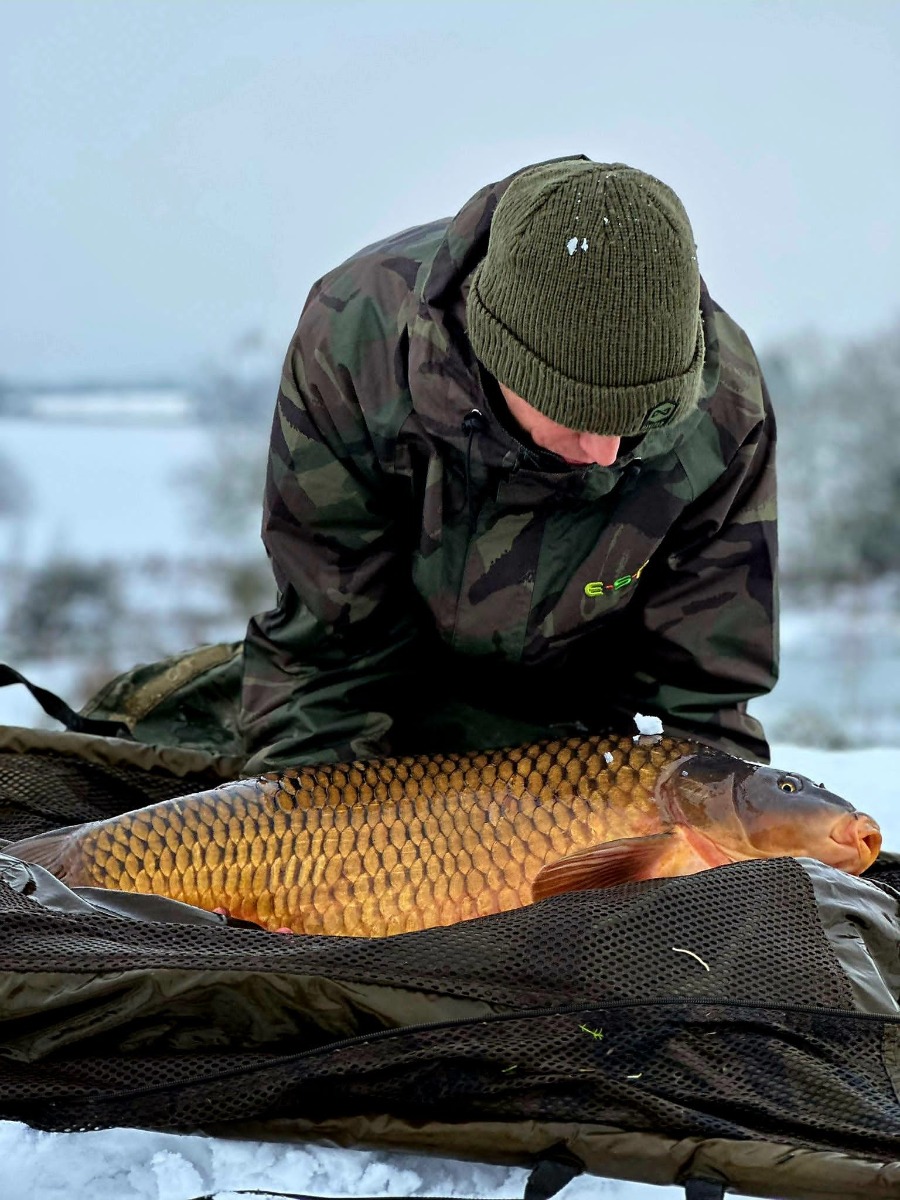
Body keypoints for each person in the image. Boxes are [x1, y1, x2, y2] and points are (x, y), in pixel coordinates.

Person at [238, 156, 778, 772]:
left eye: (638, 424)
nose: (605, 452)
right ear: (502, 360)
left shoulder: (726, 412)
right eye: (578, 416)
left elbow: (703, 702)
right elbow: (328, 658)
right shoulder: (353, 346)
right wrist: (324, 813)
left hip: (581, 747)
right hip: (384, 696)